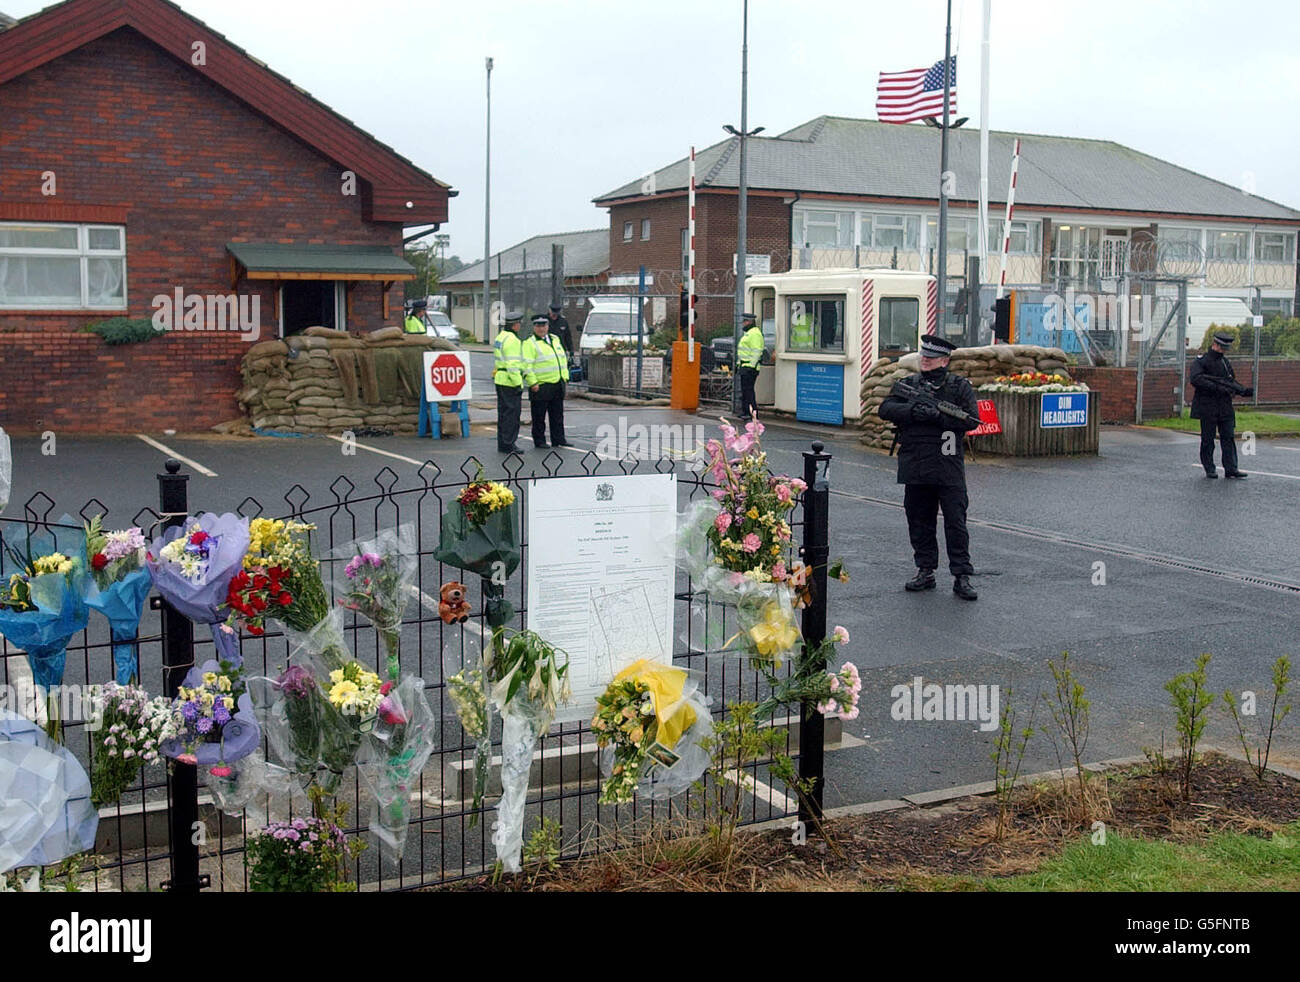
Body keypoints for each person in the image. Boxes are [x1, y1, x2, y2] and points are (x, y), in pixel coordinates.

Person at [878, 335, 983, 601]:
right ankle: (925, 570)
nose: (925, 360)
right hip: (916, 462)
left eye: (932, 357)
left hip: (947, 464)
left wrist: (938, 416)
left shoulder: (959, 388)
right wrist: (912, 411)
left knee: (955, 522)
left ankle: (961, 575)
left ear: (945, 361)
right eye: (924, 355)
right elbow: (886, 408)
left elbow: (971, 421)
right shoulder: (908, 384)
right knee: (919, 520)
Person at [1190, 330, 1253, 479]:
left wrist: (1243, 391)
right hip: (1208, 405)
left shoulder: (1224, 362)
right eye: (1222, 347)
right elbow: (1196, 379)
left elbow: (1230, 381)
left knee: (1228, 437)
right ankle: (1209, 468)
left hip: (1224, 405)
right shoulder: (1201, 361)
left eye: (1226, 348)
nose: (1224, 350)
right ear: (1215, 344)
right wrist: (1216, 388)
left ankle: (1231, 468)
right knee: (1208, 439)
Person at [522, 313, 571, 448]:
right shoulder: (530, 343)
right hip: (541, 385)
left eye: (543, 325)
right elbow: (527, 365)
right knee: (539, 416)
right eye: (538, 326)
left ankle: (559, 439)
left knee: (557, 415)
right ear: (534, 327)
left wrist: (565, 377)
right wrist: (533, 383)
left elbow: (562, 359)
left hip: (557, 383)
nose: (541, 328)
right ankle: (539, 441)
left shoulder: (555, 339)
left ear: (548, 326)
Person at [494, 311, 526, 453]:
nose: (520, 326)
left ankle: (503, 443)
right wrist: (518, 383)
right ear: (515, 325)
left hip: (500, 378)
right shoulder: (513, 340)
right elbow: (513, 364)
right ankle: (509, 443)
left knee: (503, 413)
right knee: (512, 415)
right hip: (509, 381)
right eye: (519, 323)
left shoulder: (501, 336)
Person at [736, 312, 765, 420]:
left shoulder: (755, 334)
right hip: (745, 366)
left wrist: (751, 366)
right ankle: (746, 411)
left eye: (744, 321)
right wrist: (739, 365)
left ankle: (752, 412)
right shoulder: (749, 333)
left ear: (749, 322)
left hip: (749, 368)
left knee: (748, 391)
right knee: (746, 390)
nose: (743, 324)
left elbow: (756, 351)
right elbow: (744, 352)